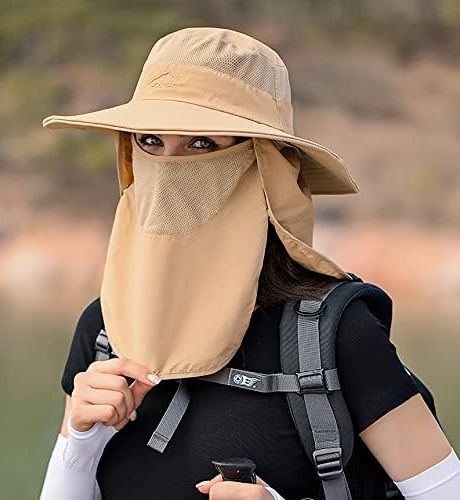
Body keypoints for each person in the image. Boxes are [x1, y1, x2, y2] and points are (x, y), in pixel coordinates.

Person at [39, 27, 459, 500]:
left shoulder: (332, 334)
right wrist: (81, 443)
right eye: (151, 141)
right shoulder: (104, 329)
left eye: (203, 145)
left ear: (266, 165)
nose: (168, 165)